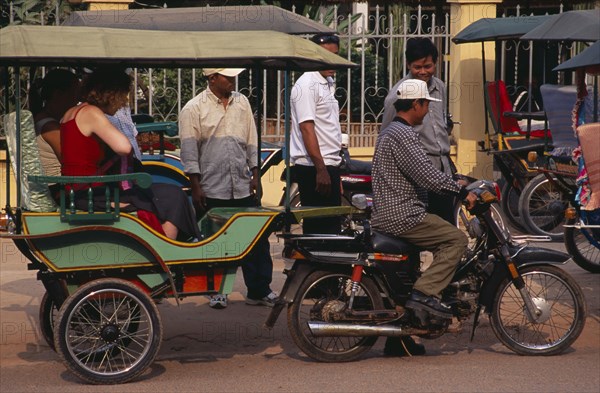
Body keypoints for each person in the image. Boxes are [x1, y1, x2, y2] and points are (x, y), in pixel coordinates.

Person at [372, 79, 477, 357]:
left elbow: (423, 171)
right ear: (415, 104)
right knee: (455, 239)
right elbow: (426, 175)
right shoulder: (403, 135)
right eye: (426, 105)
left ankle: (401, 338)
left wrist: (455, 178)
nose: (428, 110)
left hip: (394, 211)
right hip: (403, 214)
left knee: (415, 266)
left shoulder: (392, 132)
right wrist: (461, 191)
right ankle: (424, 295)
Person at [60, 67, 201, 241]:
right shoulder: (92, 113)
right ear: (111, 93)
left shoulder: (71, 112)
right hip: (92, 193)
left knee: (164, 193)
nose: (124, 103)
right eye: (122, 96)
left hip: (79, 190)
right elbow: (124, 147)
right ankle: (166, 247)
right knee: (173, 196)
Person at [179, 68, 277, 309]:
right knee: (215, 241)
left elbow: (251, 139)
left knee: (256, 239)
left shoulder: (241, 102)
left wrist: (256, 174)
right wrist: (196, 186)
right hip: (212, 186)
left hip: (242, 184)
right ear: (212, 78)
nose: (233, 80)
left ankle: (259, 289)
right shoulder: (193, 108)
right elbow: (189, 151)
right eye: (227, 77)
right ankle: (216, 291)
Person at [381, 38, 457, 224]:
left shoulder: (439, 86)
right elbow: (387, 133)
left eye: (428, 66)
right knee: (419, 229)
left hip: (443, 167)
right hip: (417, 171)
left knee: (446, 224)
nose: (423, 72)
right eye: (417, 67)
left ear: (435, 64)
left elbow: (441, 120)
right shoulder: (398, 94)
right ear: (408, 65)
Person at [290, 33, 343, 234]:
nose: (331, 62)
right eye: (324, 56)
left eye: (335, 56)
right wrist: (321, 169)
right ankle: (313, 266)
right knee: (320, 231)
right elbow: (307, 128)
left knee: (331, 228)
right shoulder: (306, 84)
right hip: (314, 167)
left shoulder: (327, 81)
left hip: (328, 165)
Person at [30, 69, 81, 178]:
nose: (77, 100)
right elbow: (73, 162)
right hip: (57, 188)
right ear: (58, 94)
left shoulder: (48, 121)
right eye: (74, 93)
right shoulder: (50, 127)